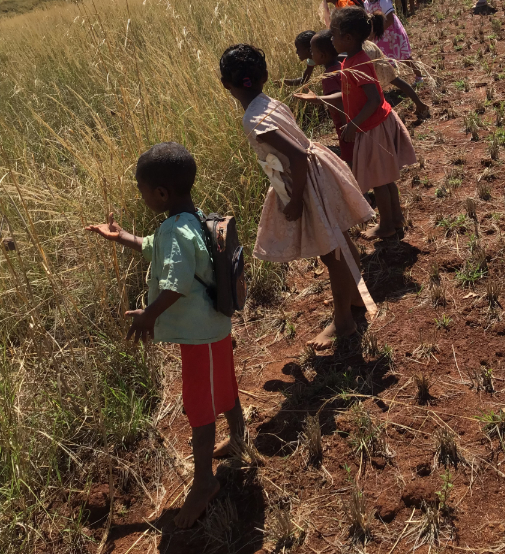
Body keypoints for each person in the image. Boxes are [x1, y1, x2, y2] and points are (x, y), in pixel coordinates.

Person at [85, 143, 244, 529]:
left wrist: (147, 316)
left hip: (199, 336)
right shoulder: (192, 218)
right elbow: (158, 249)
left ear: (160, 194)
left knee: (199, 408)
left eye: (142, 190)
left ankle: (204, 483)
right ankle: (240, 439)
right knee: (223, 386)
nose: (141, 196)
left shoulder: (174, 229)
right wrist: (123, 236)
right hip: (213, 330)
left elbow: (176, 282)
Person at [220, 44, 376, 350]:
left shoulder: (254, 119)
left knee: (331, 254)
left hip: (304, 181)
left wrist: (293, 200)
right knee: (339, 242)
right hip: (315, 173)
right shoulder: (270, 103)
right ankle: (356, 300)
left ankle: (343, 320)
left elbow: (296, 156)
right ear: (264, 76)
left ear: (226, 84)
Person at [330, 6, 417, 239]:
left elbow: (375, 99)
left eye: (333, 35)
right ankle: (396, 219)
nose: (331, 39)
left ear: (347, 38)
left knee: (379, 181)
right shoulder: (353, 59)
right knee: (386, 178)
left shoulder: (357, 64)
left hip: (372, 128)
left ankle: (386, 225)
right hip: (374, 124)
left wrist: (353, 125)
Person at [295, 29, 354, 165]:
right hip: (353, 119)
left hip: (344, 124)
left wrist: (347, 127)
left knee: (350, 160)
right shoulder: (340, 66)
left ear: (322, 56)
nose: (311, 54)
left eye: (312, 51)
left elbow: (339, 101)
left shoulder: (328, 76)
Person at [361, 0, 422, 83]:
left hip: (392, 34)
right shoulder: (367, 2)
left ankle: (419, 76)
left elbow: (389, 20)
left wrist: (375, 33)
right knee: (383, 59)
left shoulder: (383, 0)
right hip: (380, 36)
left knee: (404, 57)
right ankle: (388, 82)